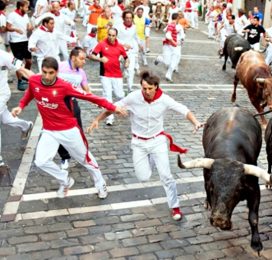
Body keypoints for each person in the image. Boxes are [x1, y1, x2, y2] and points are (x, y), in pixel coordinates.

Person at [87, 70, 203, 221]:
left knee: (166, 176)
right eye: (144, 88)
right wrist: (98, 119)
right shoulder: (133, 97)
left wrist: (195, 122)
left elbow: (183, 110)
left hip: (157, 141)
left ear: (156, 87)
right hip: (139, 143)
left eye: (150, 88)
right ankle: (152, 160)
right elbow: (113, 107)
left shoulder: (165, 99)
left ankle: (175, 206)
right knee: (143, 176)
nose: (146, 92)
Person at [11, 57, 127, 199]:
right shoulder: (35, 80)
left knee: (85, 160)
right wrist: (20, 106)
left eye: (51, 73)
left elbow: (92, 97)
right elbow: (30, 93)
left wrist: (114, 107)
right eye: (45, 72)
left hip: (69, 130)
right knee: (40, 161)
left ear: (57, 72)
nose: (47, 76)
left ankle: (100, 183)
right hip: (49, 131)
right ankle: (65, 180)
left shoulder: (65, 86)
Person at [56, 47, 91, 170]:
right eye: (82, 59)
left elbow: (87, 90)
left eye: (85, 59)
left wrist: (96, 101)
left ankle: (83, 155)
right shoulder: (59, 66)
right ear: (73, 58)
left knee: (78, 131)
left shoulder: (81, 72)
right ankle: (65, 156)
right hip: (57, 105)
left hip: (72, 104)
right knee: (58, 132)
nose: (84, 61)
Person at [0, 49, 34, 166]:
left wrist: (40, 81)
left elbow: (22, 69)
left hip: (2, 94)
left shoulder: (4, 55)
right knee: (6, 119)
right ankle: (26, 125)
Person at [90, 27, 129, 126]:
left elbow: (126, 57)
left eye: (113, 35)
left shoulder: (120, 46)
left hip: (117, 74)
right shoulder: (102, 44)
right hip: (105, 74)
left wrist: (127, 63)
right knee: (108, 96)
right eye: (109, 35)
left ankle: (124, 106)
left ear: (116, 36)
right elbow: (92, 55)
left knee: (119, 95)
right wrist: (100, 59)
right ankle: (109, 118)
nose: (111, 37)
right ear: (107, 34)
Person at [6, 0, 33, 90]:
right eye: (26, 7)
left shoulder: (25, 15)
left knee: (29, 61)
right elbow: (7, 27)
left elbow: (28, 25)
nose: (27, 8)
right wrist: (16, 30)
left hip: (25, 40)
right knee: (18, 62)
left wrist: (30, 27)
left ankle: (26, 76)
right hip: (15, 42)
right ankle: (20, 80)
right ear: (20, 7)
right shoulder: (12, 15)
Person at [115, 10, 140, 93]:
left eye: (130, 18)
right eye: (127, 18)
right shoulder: (118, 26)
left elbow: (136, 36)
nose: (129, 20)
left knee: (131, 70)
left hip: (131, 52)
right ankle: (118, 88)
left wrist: (140, 44)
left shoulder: (134, 27)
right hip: (119, 51)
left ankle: (130, 88)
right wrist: (123, 44)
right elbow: (114, 38)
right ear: (123, 18)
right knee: (120, 71)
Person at [154, 12, 179, 82]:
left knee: (174, 61)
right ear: (177, 18)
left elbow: (165, 30)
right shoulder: (172, 25)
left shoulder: (171, 25)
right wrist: (173, 41)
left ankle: (168, 75)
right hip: (168, 45)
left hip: (174, 47)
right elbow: (167, 35)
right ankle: (159, 58)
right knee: (167, 62)